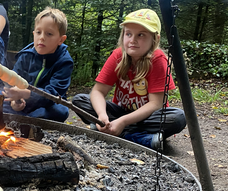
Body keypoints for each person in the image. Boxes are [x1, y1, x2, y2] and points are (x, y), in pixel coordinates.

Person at [72, 9, 186, 150]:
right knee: (79, 100)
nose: (133, 40)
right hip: (120, 112)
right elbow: (98, 91)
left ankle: (119, 133)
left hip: (148, 117)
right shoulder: (118, 55)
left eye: (141, 35)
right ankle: (139, 137)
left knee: (178, 117)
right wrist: (102, 115)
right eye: (128, 34)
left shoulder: (158, 60)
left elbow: (156, 104)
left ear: (155, 39)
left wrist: (123, 122)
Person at [0, 7, 73, 122]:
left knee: (60, 110)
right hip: (22, 102)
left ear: (61, 40)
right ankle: (23, 118)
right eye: (38, 32)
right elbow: (13, 80)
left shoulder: (64, 62)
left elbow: (53, 94)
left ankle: (21, 118)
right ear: (34, 34)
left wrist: (26, 94)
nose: (42, 37)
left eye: (49, 34)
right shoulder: (26, 55)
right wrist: (14, 101)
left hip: (44, 104)